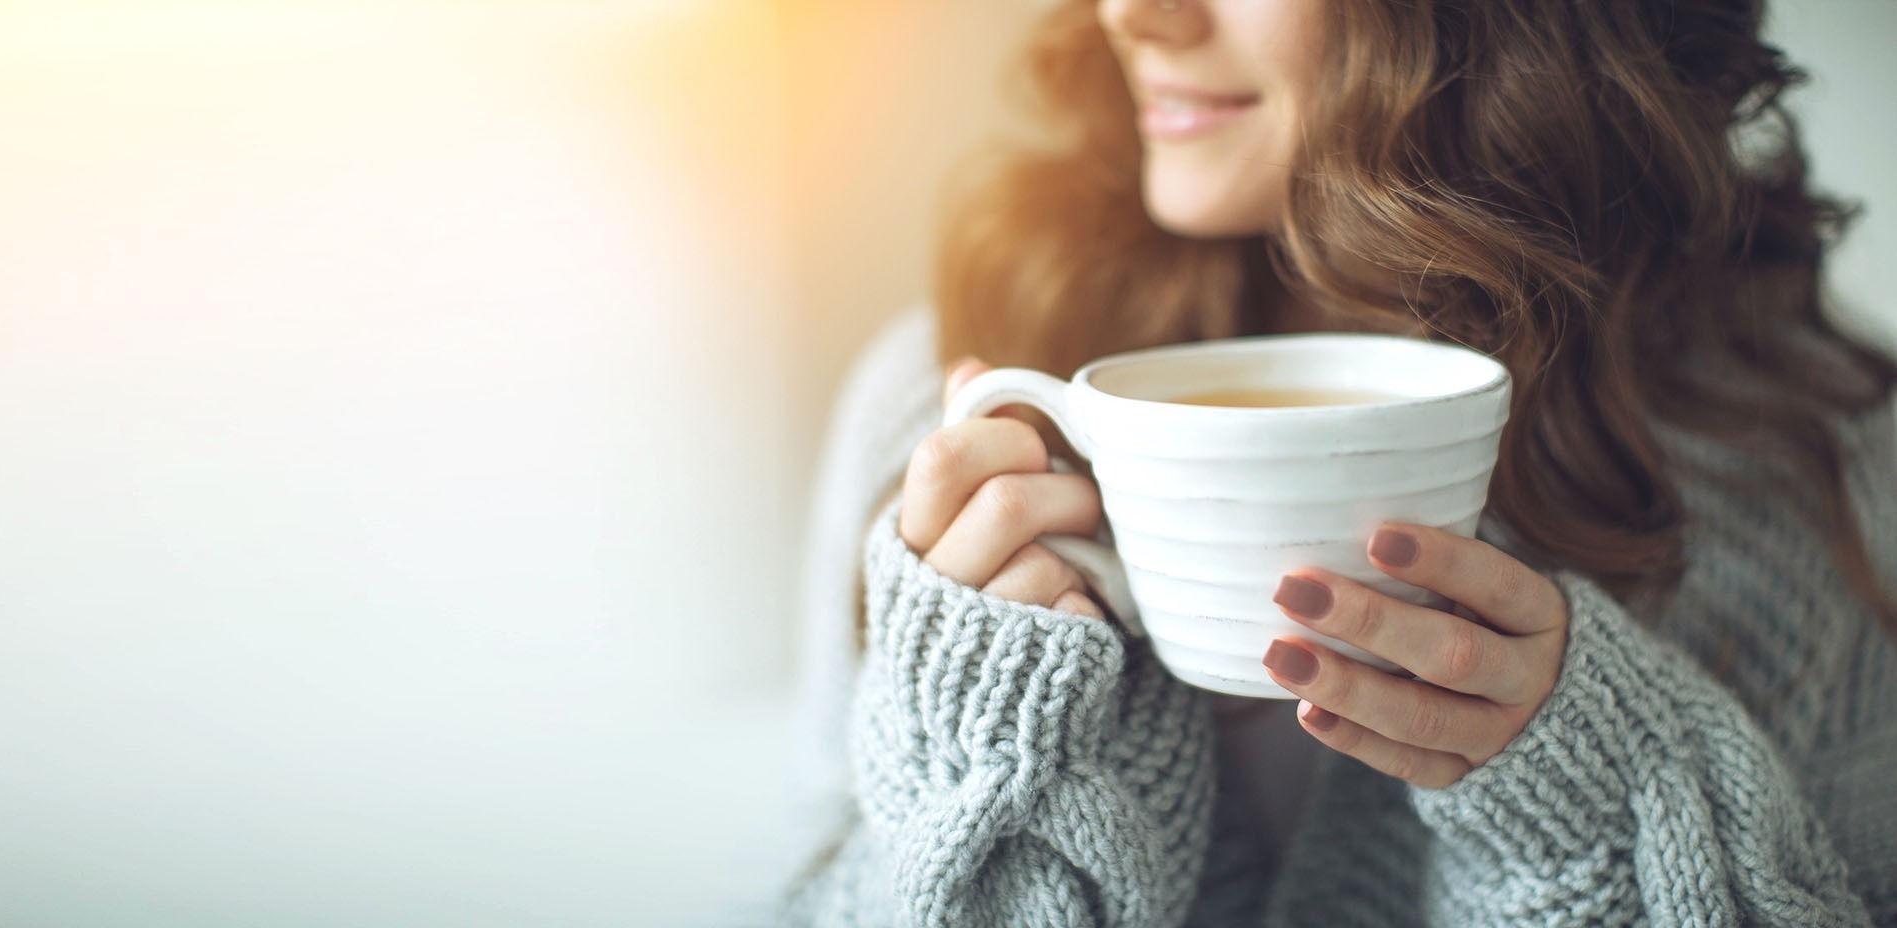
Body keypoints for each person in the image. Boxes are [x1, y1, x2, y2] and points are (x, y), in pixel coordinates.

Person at [780, 0, 1897, 924]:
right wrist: (983, 755)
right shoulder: (939, 416)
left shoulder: (1816, 467)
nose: (1135, 17)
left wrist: (1601, 802)